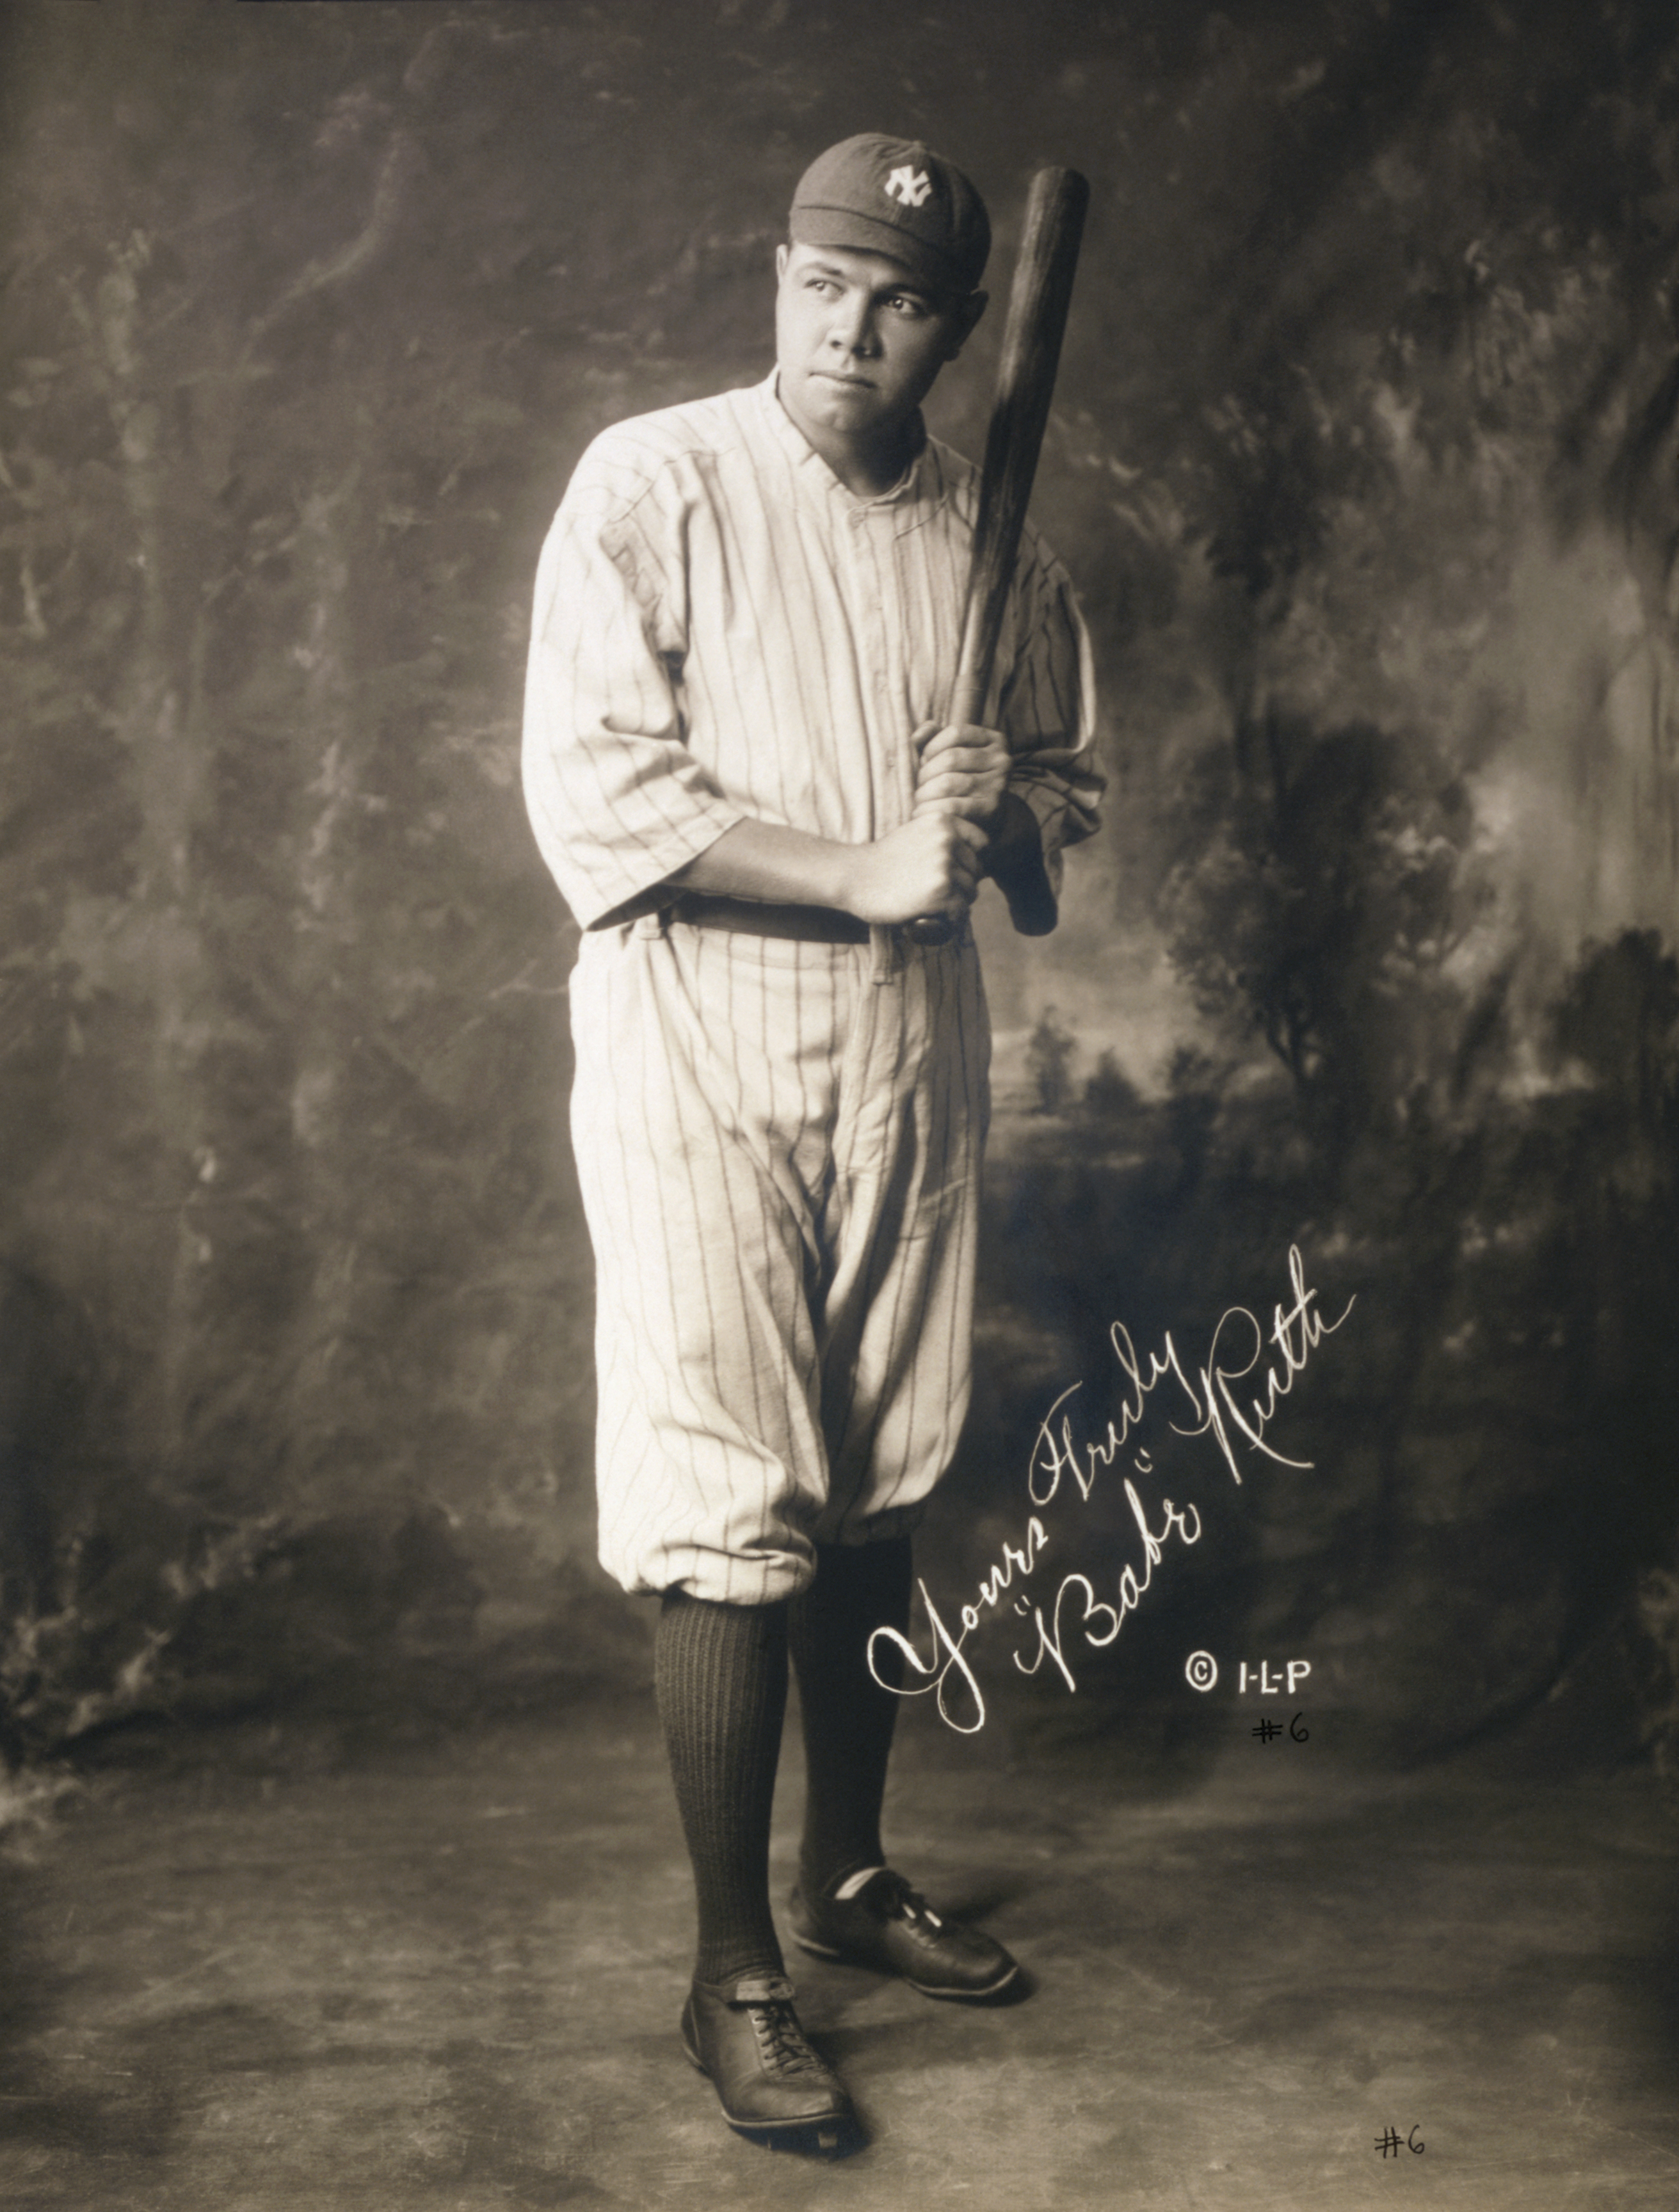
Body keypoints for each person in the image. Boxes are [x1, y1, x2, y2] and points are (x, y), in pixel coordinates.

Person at [522, 132, 1102, 2149]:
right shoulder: (653, 481)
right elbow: (601, 804)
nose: (853, 331)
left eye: (904, 302)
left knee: (878, 1476)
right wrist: (862, 861)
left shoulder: (992, 546)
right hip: (697, 1048)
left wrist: (999, 819)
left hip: (904, 1058)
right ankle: (731, 1970)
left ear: (953, 329)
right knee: (727, 1491)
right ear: (777, 273)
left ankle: (848, 1884)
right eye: (824, 284)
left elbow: (1047, 837)